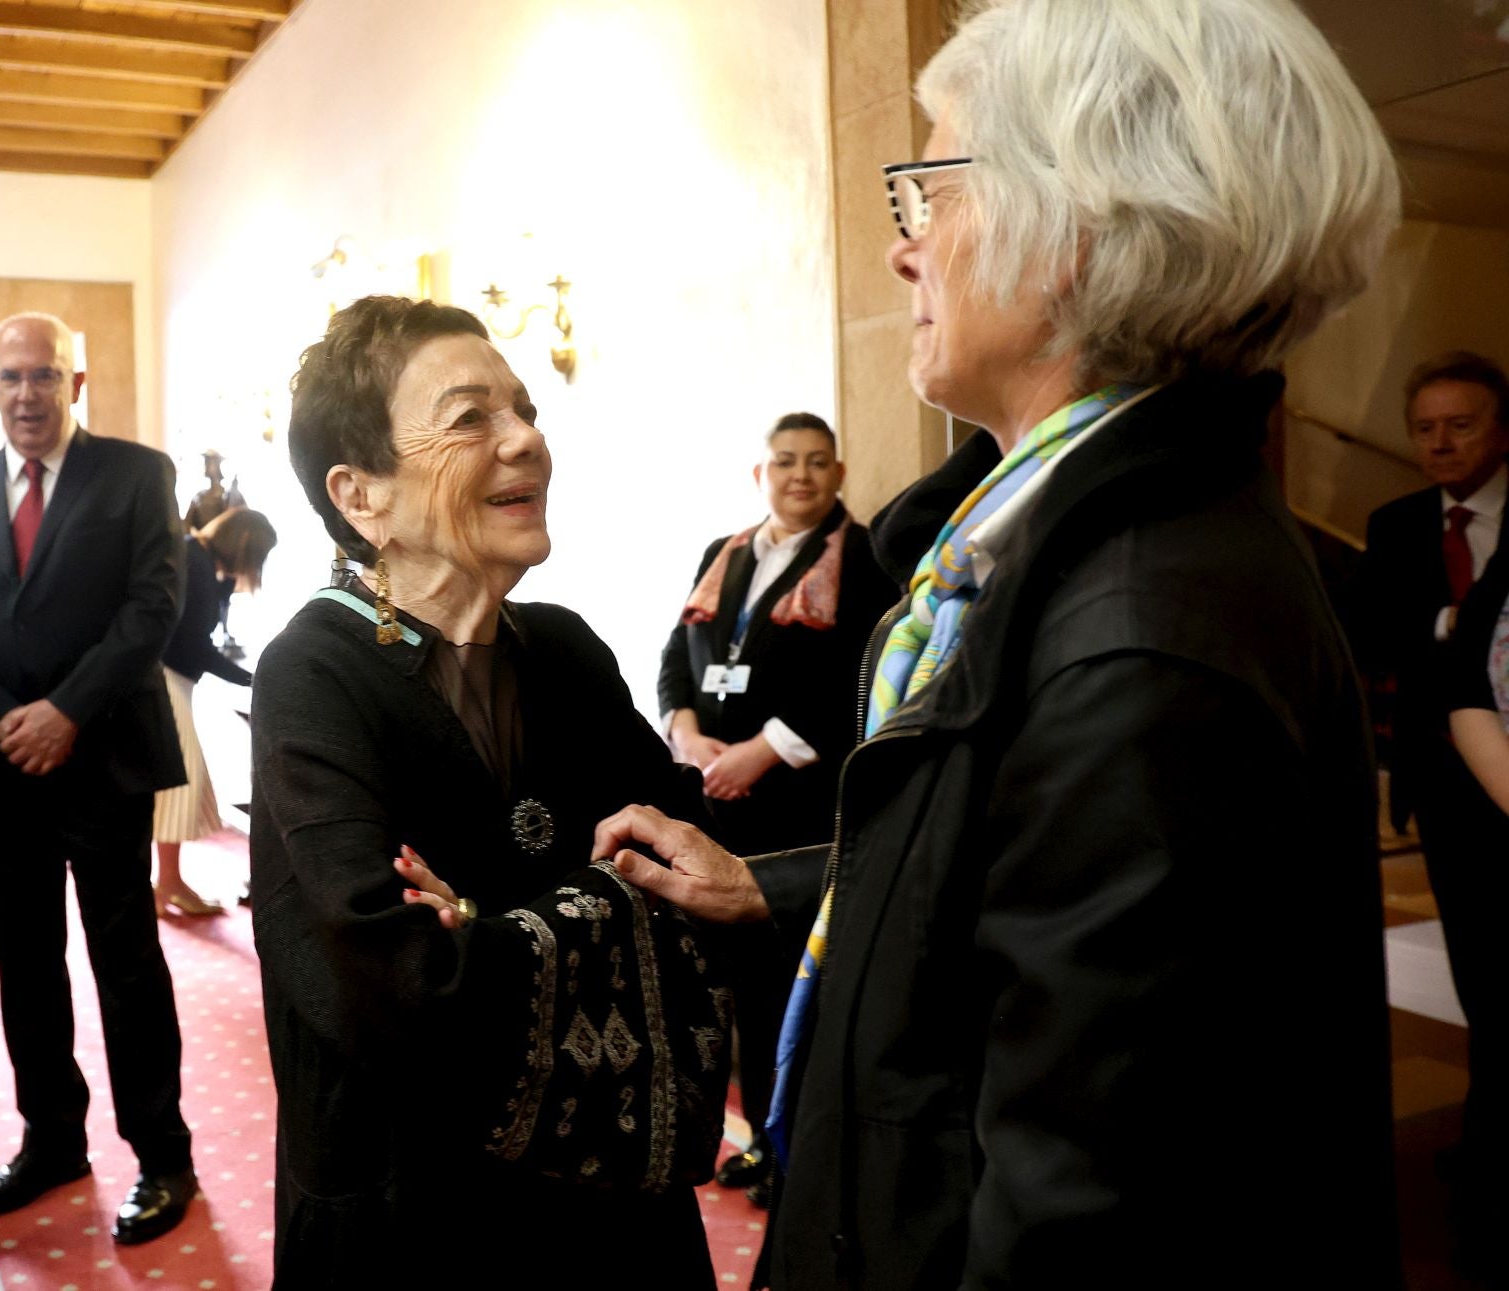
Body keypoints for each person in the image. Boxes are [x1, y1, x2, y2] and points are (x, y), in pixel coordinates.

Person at [591, 1, 1404, 1285]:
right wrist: (778, 889)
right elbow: (1015, 891)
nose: (905, 251)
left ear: (1075, 227)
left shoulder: (1139, 637)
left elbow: (1083, 1221)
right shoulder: (1043, 539)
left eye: (932, 187)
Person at [252, 295, 732, 1289]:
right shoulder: (313, 672)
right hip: (416, 1219)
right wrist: (605, 910)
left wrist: (482, 924)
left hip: (614, 1217)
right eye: (472, 418)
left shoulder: (563, 650)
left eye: (524, 410)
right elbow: (394, 987)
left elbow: (703, 891)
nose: (525, 440)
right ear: (362, 495)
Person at [0, 312, 196, 1245]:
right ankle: (52, 1141)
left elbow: (152, 607)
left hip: (102, 757)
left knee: (127, 964)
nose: (27, 393)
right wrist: (4, 719)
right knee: (27, 965)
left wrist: (66, 710)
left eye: (45, 375)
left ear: (76, 384)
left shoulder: (137, 474)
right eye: (10, 378)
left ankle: (163, 1155)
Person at [657, 411, 879, 1201]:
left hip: (800, 819)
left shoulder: (866, 562)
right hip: (720, 813)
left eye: (818, 462)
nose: (801, 475)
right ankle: (760, 1141)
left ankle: (801, 1159)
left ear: (839, 475)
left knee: (799, 995)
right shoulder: (724, 555)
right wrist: (683, 729)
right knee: (742, 994)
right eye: (785, 461)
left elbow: (861, 681)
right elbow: (675, 658)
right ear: (761, 473)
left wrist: (761, 749)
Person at [1410, 354, 1509, 1285]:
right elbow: (1387, 644)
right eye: (1426, 428)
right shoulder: (1396, 524)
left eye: (1463, 424)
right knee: (1482, 971)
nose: (1441, 444)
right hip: (1453, 792)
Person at [153, 506, 275, 917]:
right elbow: (194, 645)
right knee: (178, 784)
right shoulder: (197, 565)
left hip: (169, 680)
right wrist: (253, 680)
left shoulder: (196, 558)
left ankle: (166, 882)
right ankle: (167, 882)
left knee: (175, 785)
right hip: (166, 682)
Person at [183, 449, 229, 532]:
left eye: (208, 463)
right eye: (206, 463)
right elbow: (188, 524)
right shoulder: (199, 497)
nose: (206, 466)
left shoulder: (229, 496)